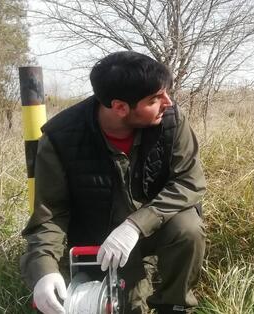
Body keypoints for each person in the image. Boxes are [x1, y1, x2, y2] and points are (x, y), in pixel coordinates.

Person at [20, 52, 207, 314]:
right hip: (99, 240)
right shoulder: (61, 138)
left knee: (188, 226)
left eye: (165, 93)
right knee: (127, 308)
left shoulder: (171, 122)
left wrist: (136, 224)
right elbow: (50, 214)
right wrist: (43, 271)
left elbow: (189, 181)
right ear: (120, 107)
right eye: (154, 99)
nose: (168, 102)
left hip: (155, 228)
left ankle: (174, 306)